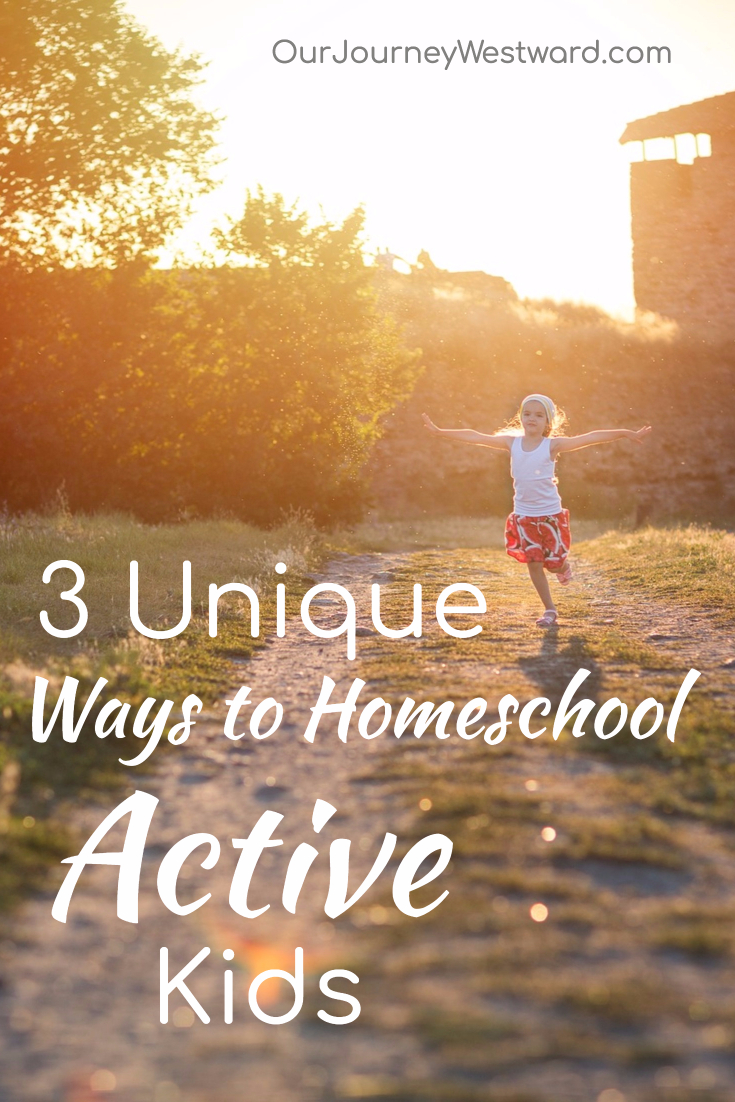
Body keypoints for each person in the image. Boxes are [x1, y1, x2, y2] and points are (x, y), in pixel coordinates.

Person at [422, 395, 651, 627]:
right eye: (527, 413)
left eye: (539, 415)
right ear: (520, 416)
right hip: (524, 516)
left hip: (551, 516)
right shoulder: (511, 443)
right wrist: (440, 432)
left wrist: (625, 433)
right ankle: (550, 609)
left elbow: (591, 437)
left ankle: (563, 568)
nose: (532, 418)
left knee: (554, 564)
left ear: (547, 421)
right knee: (534, 563)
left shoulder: (552, 445)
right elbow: (475, 436)